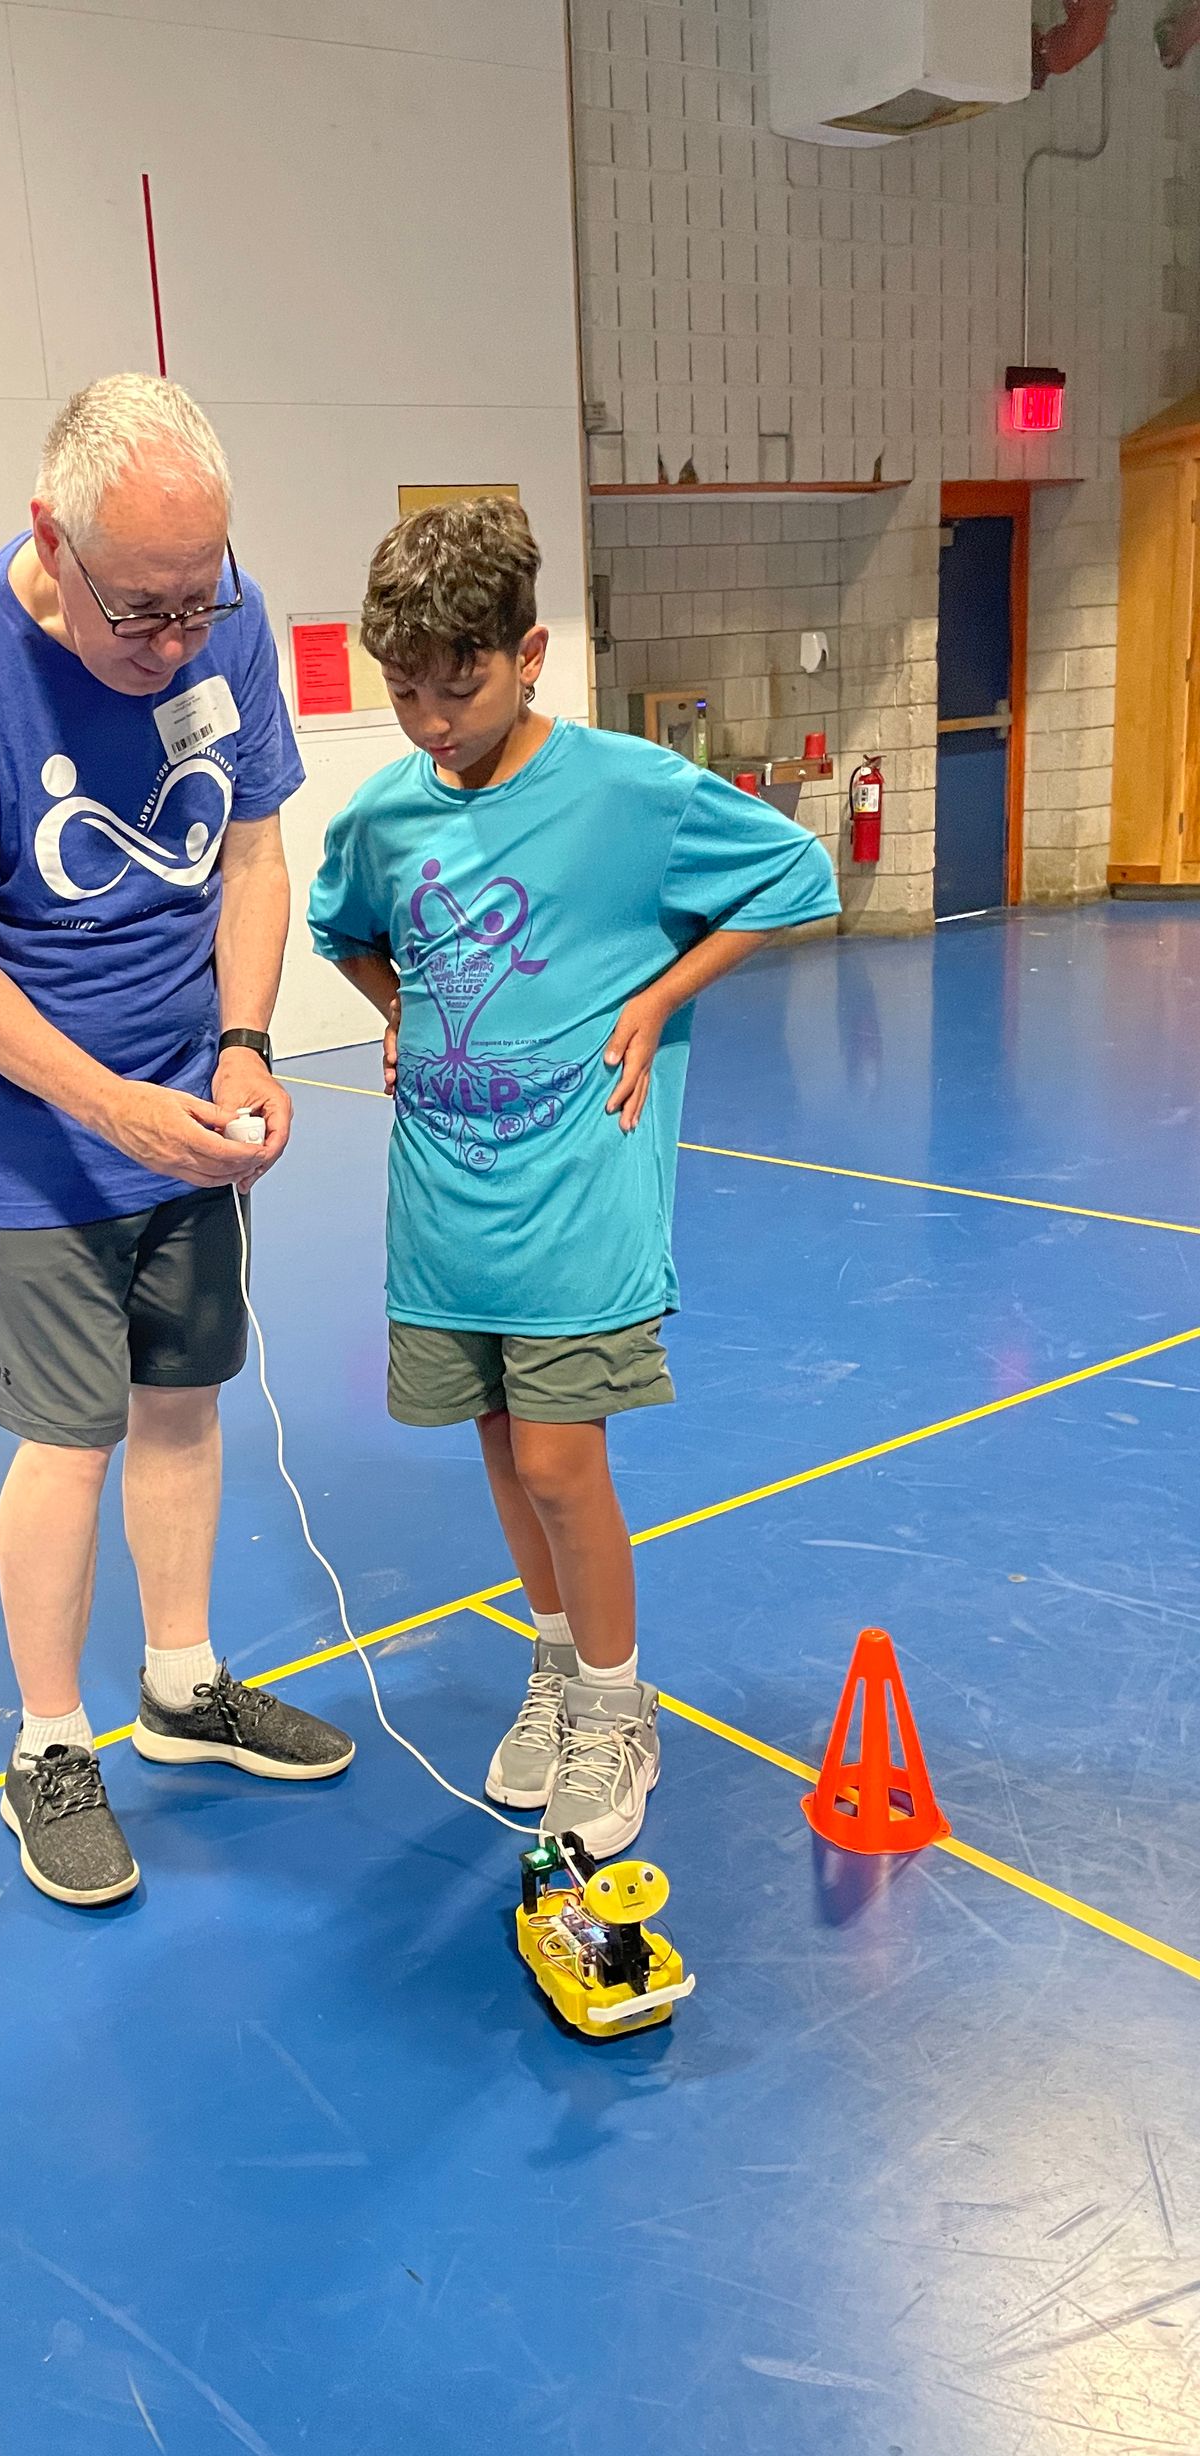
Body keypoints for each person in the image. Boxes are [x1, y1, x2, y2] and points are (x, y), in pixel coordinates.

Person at [0, 374, 352, 1911]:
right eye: (138, 613)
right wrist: (105, 1104)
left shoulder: (227, 619)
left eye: (196, 606)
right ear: (50, 543)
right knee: (66, 1436)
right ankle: (53, 1748)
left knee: (183, 1402)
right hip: (36, 1143)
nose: (171, 645)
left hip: (189, 1113)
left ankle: (183, 1686)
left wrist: (246, 1043)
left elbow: (261, 846)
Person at [308, 499, 839, 1853]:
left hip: (574, 1200)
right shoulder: (385, 815)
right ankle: (555, 1671)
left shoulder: (626, 790)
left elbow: (796, 873)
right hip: (446, 1202)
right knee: (501, 1449)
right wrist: (399, 1014)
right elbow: (344, 928)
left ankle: (617, 1707)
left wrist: (659, 999)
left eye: (460, 683)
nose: (429, 718)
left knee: (559, 1456)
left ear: (530, 651)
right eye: (404, 689)